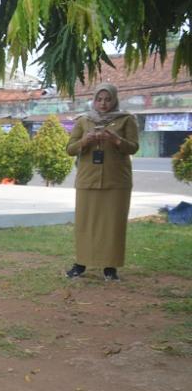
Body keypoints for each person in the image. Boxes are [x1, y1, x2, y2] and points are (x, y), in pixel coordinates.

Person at [65, 83, 139, 281]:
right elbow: (70, 148)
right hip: (87, 180)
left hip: (117, 182)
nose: (103, 103)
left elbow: (133, 148)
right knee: (85, 223)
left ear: (114, 100)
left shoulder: (126, 120)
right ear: (94, 100)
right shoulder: (83, 120)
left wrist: (116, 140)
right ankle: (80, 263)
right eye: (99, 99)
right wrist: (84, 142)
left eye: (108, 99)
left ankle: (110, 267)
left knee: (113, 225)